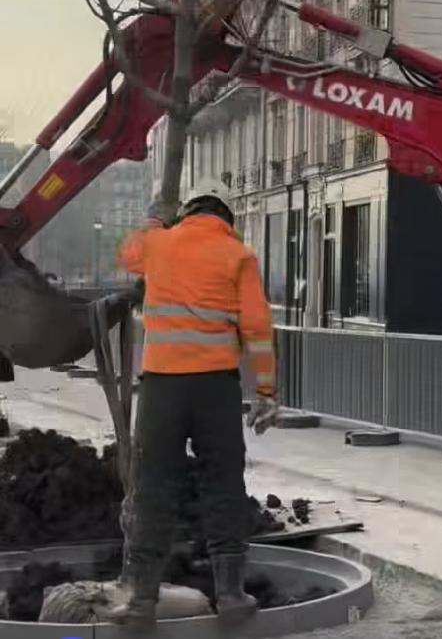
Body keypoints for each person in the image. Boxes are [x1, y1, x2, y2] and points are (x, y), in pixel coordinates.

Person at [109, 190, 279, 627]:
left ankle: (142, 600)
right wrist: (265, 390)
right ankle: (232, 595)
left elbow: (127, 256)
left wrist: (152, 223)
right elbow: (258, 327)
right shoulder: (237, 254)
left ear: (185, 215)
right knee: (222, 485)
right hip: (215, 390)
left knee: (153, 487)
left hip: (161, 388)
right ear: (226, 218)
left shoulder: (157, 243)